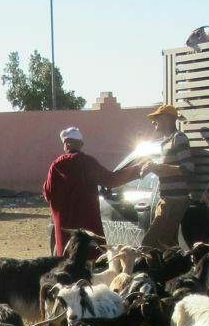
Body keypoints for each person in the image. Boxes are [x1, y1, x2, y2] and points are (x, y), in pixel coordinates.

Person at [42, 126, 137, 258]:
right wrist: (137, 171)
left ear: (66, 144)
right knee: (89, 259)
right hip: (88, 224)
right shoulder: (89, 163)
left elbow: (48, 193)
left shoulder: (56, 165)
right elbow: (111, 180)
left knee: (67, 260)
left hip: (65, 226)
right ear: (81, 144)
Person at [140, 104, 198, 251]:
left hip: (174, 200)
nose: (153, 122)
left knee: (149, 243)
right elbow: (168, 171)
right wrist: (152, 168)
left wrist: (157, 167)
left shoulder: (178, 139)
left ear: (167, 119)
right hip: (168, 199)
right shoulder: (166, 142)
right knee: (167, 244)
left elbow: (188, 169)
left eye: (156, 118)